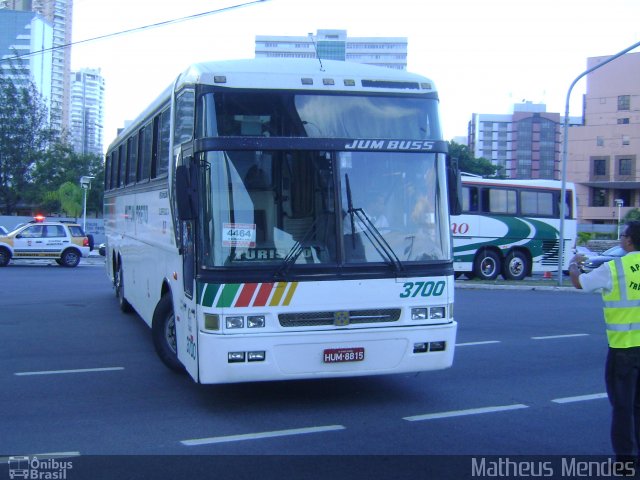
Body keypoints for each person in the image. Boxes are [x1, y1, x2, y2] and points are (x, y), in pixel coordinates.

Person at [570, 221, 640, 467]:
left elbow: (580, 283)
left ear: (629, 240)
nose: (621, 239)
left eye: (623, 236)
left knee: (623, 406)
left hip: (623, 349)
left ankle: (625, 460)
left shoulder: (616, 267)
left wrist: (574, 264)